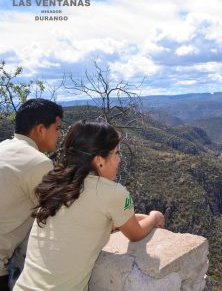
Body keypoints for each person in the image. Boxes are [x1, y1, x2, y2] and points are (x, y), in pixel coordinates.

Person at [14, 120, 165, 291]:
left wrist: (128, 220)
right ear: (99, 160)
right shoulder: (113, 192)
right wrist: (154, 217)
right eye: (116, 152)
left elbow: (84, 223)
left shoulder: (58, 184)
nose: (119, 159)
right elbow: (135, 234)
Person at [0, 99, 63, 291]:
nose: (59, 135)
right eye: (57, 128)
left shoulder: (3, 147)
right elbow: (59, 215)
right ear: (40, 129)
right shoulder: (39, 163)